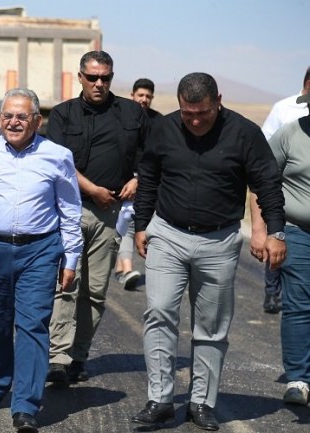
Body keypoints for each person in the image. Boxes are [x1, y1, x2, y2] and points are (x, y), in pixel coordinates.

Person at [131, 72, 286, 431]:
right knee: (159, 312)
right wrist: (141, 224)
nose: (196, 121)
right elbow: (148, 178)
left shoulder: (245, 133)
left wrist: (275, 232)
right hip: (167, 234)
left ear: (219, 100)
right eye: (188, 114)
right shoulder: (164, 129)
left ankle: (201, 402)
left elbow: (267, 183)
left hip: (219, 241)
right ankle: (160, 400)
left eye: (203, 113)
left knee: (211, 327)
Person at [0, 88, 82, 433]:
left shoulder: (58, 156)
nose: (13, 122)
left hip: (39, 250)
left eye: (22, 117)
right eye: (8, 116)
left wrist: (70, 258)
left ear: (37, 121)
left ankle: (25, 404)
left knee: (33, 325)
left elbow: (70, 210)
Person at [45, 50, 148, 384]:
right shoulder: (62, 115)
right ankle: (58, 358)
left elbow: (151, 156)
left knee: (95, 291)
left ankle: (78, 357)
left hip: (110, 213)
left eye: (105, 77)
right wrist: (92, 189)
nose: (99, 83)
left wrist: (137, 179)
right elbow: (58, 162)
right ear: (80, 77)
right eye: (92, 77)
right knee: (66, 284)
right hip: (69, 211)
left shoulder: (132, 113)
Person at [250, 92, 310, 406]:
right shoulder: (290, 134)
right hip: (298, 232)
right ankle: (299, 378)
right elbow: (262, 180)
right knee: (299, 305)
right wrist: (261, 230)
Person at [259, 67, 310, 314]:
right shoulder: (284, 109)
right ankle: (272, 291)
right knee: (278, 243)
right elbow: (266, 151)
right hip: (289, 209)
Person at [114, 78, 163, 291]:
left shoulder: (159, 122)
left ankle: (124, 270)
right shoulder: (121, 117)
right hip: (121, 180)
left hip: (147, 180)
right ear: (132, 95)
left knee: (137, 223)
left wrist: (140, 179)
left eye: (148, 96)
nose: (144, 99)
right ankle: (125, 269)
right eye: (140, 95)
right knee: (125, 222)